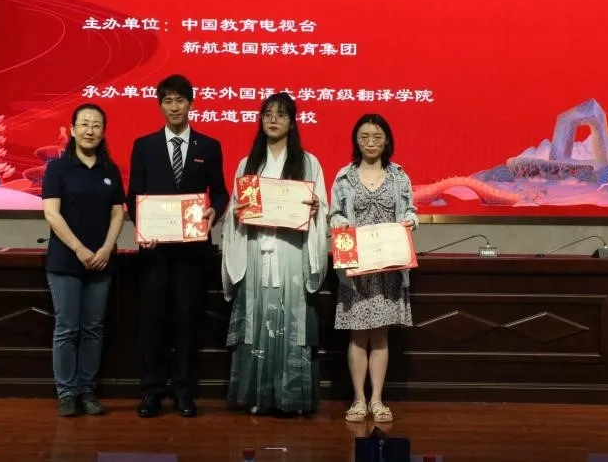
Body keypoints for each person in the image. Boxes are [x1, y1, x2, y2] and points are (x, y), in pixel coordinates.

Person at [126, 74, 229, 418]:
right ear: (160, 106)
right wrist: (144, 226)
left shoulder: (209, 146)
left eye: (180, 100)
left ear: (191, 104)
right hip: (154, 252)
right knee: (153, 323)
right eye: (168, 101)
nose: (174, 107)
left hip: (192, 253)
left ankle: (185, 392)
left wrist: (215, 211)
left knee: (188, 322)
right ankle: (152, 392)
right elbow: (133, 196)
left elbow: (221, 192)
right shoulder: (144, 146)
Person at [222, 93, 328, 415]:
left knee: (291, 321)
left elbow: (322, 208)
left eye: (281, 115)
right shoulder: (248, 163)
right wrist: (235, 213)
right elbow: (234, 209)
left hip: (292, 251)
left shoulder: (309, 163)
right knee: (257, 320)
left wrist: (316, 210)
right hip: (257, 249)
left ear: (292, 122)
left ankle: (291, 398)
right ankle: (258, 396)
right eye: (267, 114)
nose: (273, 120)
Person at [330, 114, 418, 424]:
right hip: (357, 268)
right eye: (364, 137)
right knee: (357, 336)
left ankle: (377, 400)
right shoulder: (344, 177)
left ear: (386, 141)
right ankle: (358, 400)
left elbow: (411, 211)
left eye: (377, 137)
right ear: (356, 140)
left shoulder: (399, 176)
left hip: (388, 267)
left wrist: (410, 221)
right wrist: (340, 222)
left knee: (380, 338)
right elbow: (334, 215)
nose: (370, 142)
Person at [42, 103, 126, 417]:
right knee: (67, 328)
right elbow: (52, 214)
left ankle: (88, 391)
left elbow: (118, 213)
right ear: (73, 129)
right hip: (66, 261)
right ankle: (67, 393)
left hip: (101, 262)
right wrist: (79, 248)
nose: (90, 130)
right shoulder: (58, 168)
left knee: (93, 329)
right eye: (84, 124)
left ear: (103, 132)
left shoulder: (110, 170)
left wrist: (106, 249)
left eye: (96, 125)